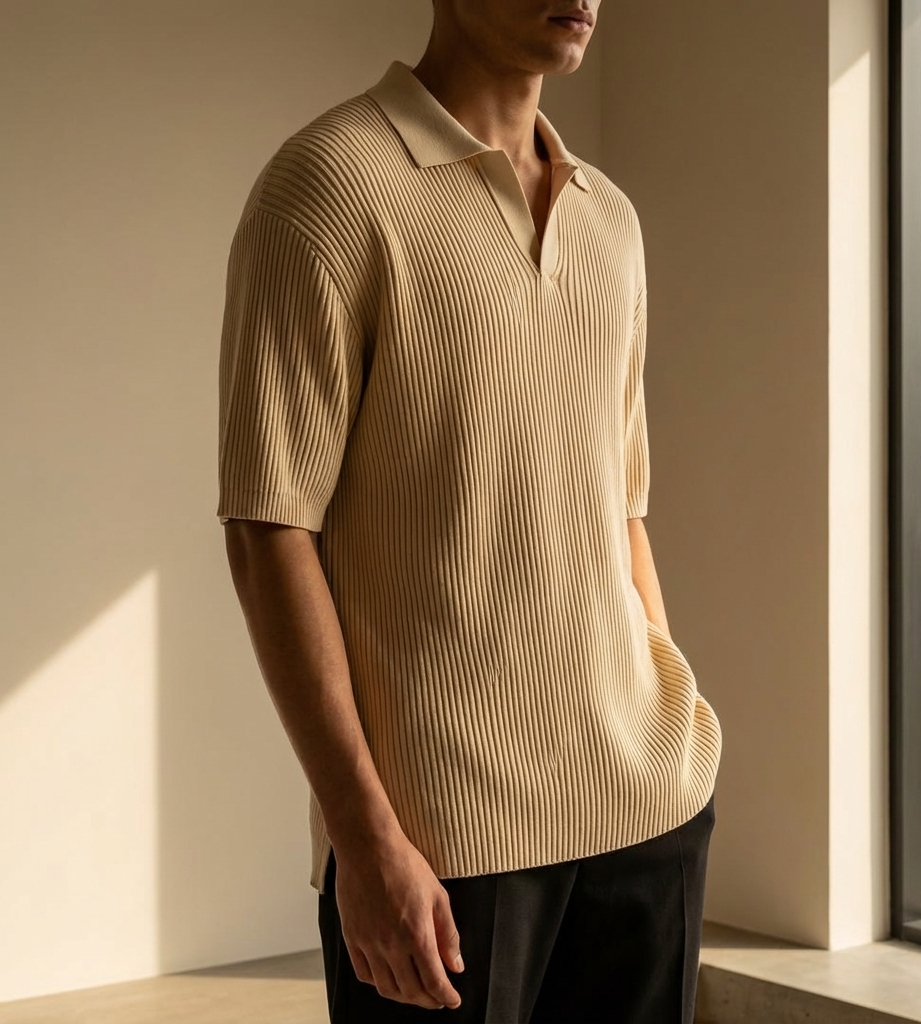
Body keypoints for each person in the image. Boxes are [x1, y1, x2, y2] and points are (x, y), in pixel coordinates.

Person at [217, 1, 722, 1021]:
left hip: (644, 812)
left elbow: (620, 507)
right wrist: (363, 842)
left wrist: (671, 728)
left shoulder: (609, 220)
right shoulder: (328, 186)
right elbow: (271, 526)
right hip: (441, 850)